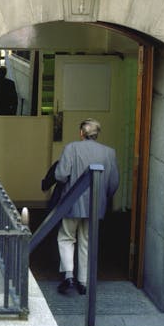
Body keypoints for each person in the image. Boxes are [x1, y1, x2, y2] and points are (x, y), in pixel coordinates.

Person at [53, 118, 119, 295]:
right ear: (96, 134)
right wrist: (103, 198)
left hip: (71, 203)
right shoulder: (109, 153)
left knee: (66, 237)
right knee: (87, 242)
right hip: (96, 205)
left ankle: (68, 276)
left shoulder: (71, 148)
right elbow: (113, 183)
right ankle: (84, 281)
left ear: (81, 133)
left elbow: (60, 175)